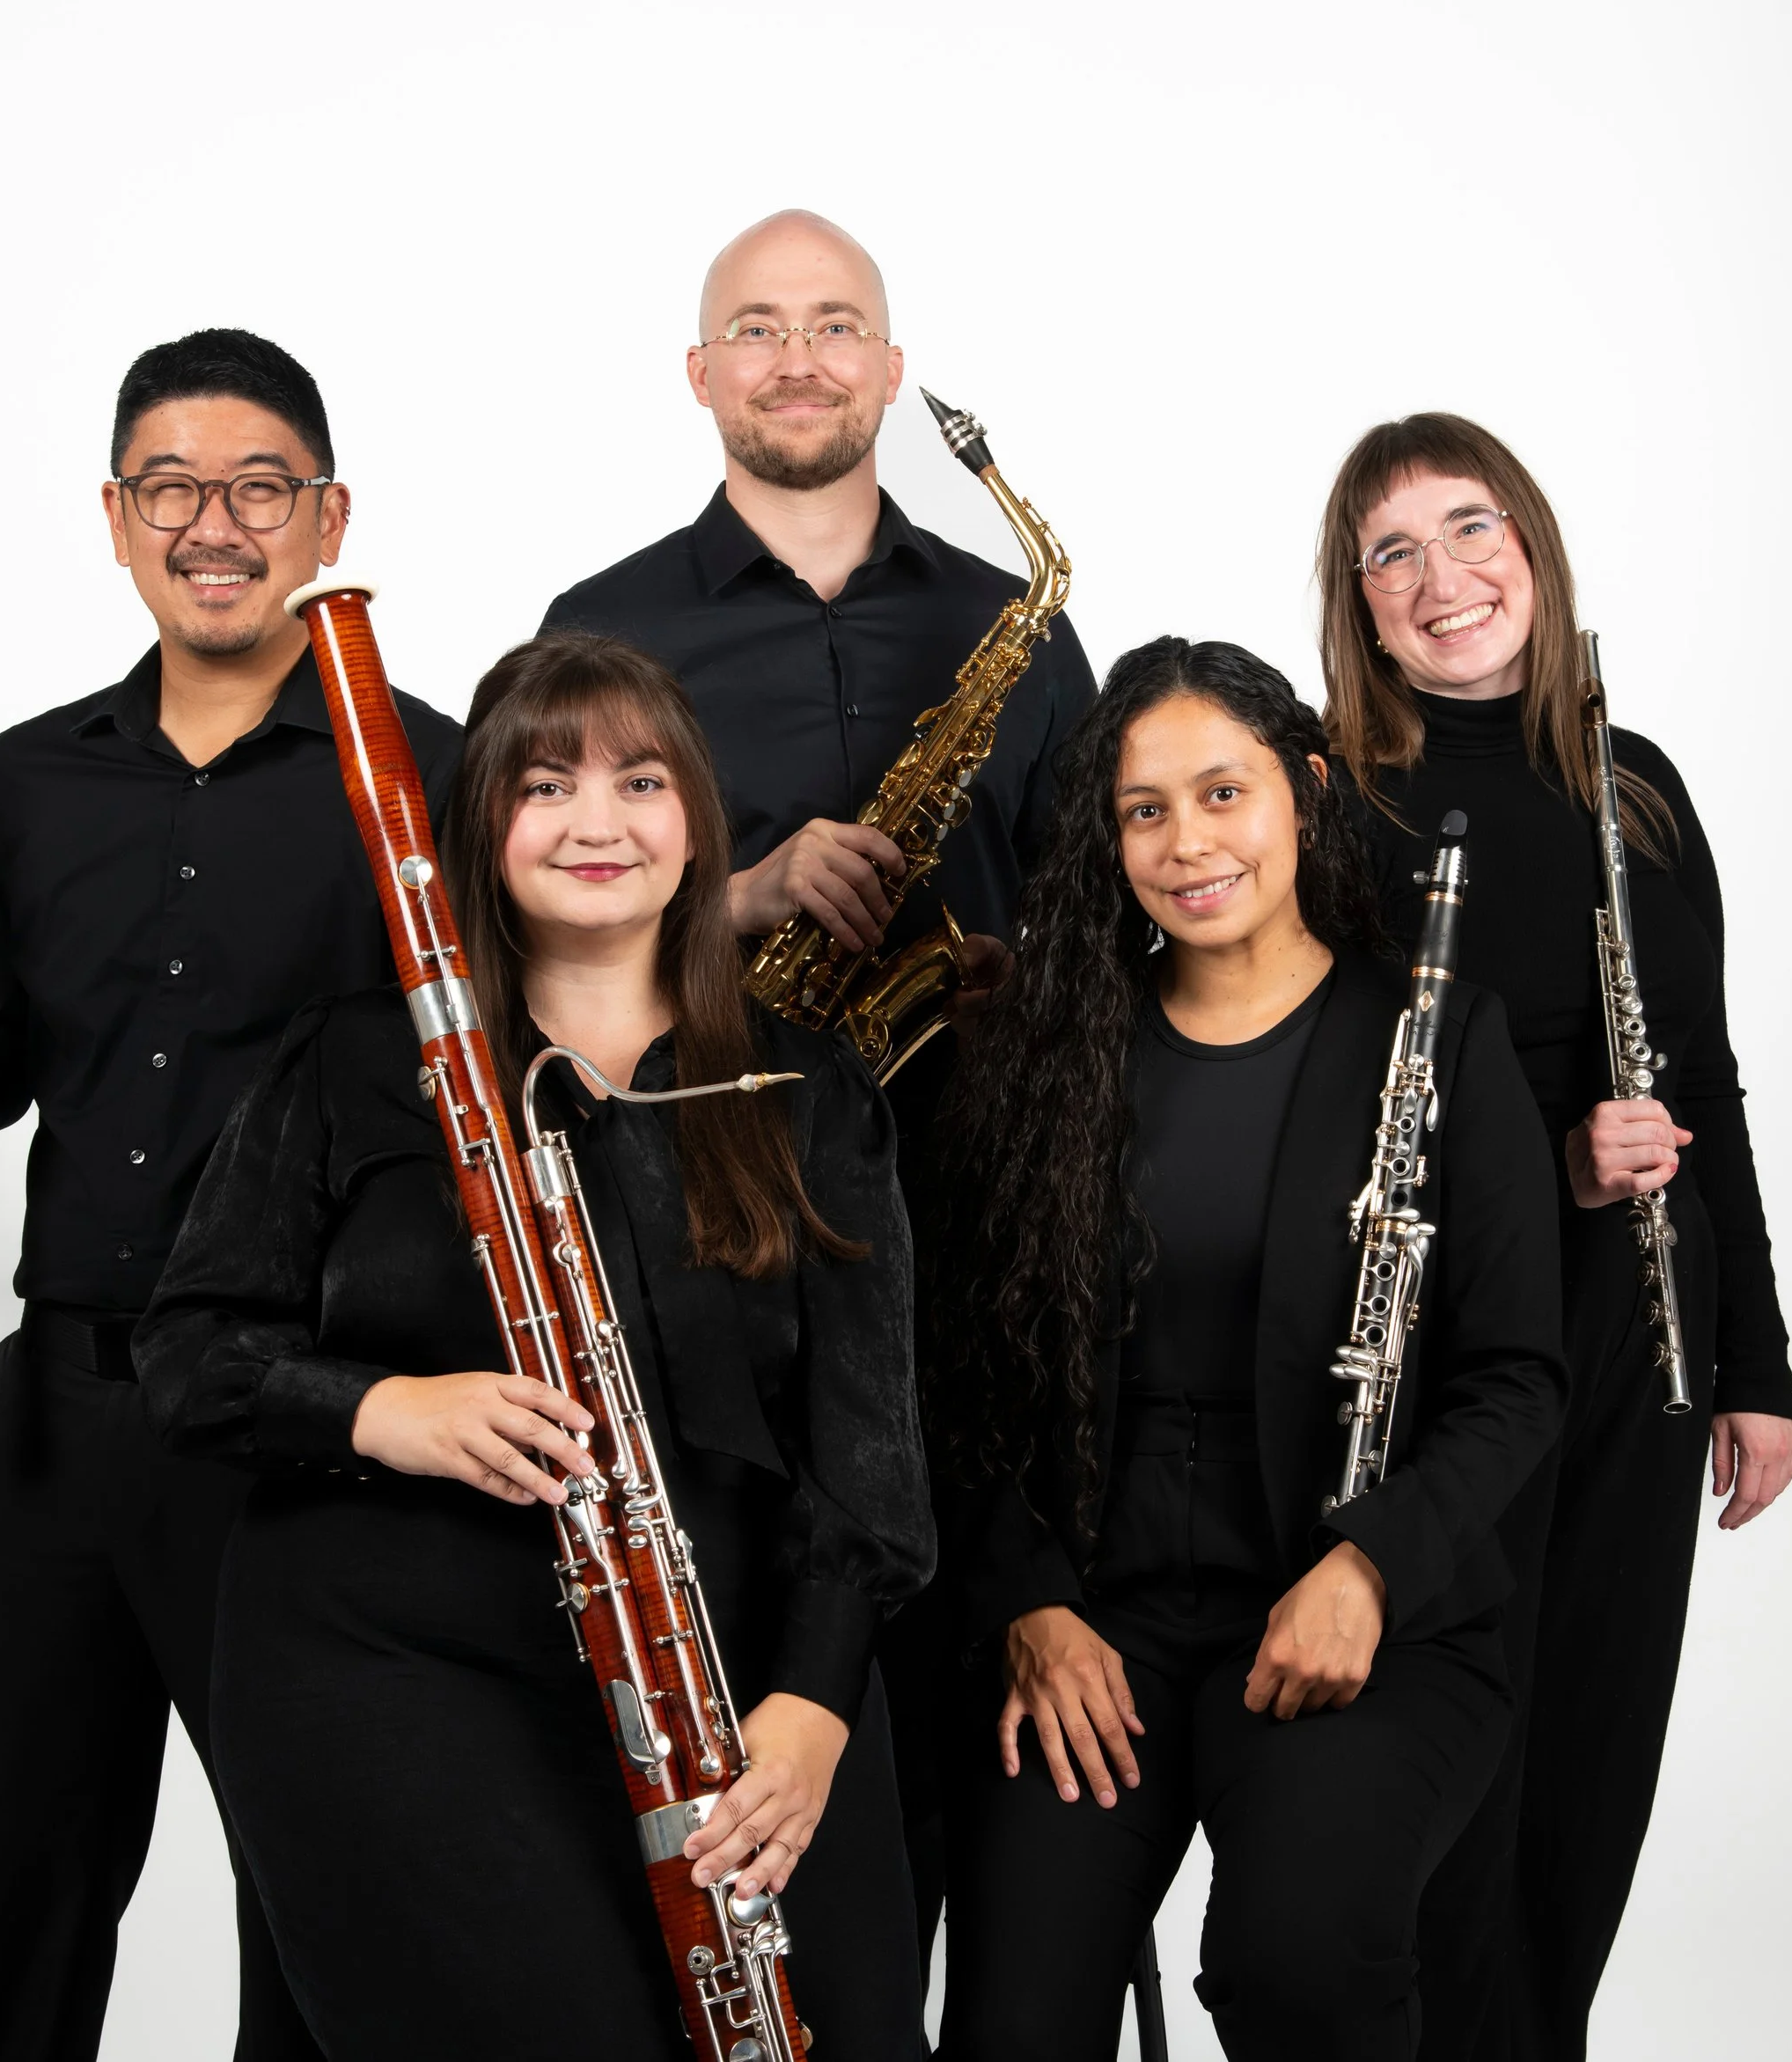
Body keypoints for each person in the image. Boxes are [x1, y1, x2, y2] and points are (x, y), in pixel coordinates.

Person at [134, 632, 935, 2062]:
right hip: (397, 1660)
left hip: (742, 1662)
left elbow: (870, 1451)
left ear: (695, 820)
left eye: (638, 779)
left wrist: (814, 1710)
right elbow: (187, 1352)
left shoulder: (809, 1086)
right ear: (481, 827)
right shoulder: (356, 1059)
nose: (596, 822)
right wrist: (393, 1407)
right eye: (545, 785)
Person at [0, 329, 460, 2062]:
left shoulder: (427, 771)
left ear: (327, 517)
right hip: (59, 1420)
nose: (214, 522)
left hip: (300, 1434)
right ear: (116, 520)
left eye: (259, 484)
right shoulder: (36, 776)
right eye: (170, 485)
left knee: (318, 1931)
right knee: (17, 1912)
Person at [540, 202, 1097, 1965]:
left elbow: (1106, 922)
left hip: (988, 1241)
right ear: (700, 372)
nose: (797, 358)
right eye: (758, 328)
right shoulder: (601, 626)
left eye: (834, 324)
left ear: (889, 362)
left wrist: (1021, 970)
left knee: (979, 1786)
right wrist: (751, 889)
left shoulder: (1013, 624)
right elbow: (534, 911)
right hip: (733, 1245)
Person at [929, 637, 1568, 2061]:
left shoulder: (1440, 1035)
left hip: (1358, 1601)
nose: (1186, 840)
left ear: (1309, 792)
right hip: (1099, 1613)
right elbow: (959, 1373)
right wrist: (1029, 1598)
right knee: (1012, 2023)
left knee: (1299, 1967)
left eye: (1224, 792)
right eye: (1144, 809)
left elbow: (1518, 1375)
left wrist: (1373, 1563)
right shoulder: (1049, 1049)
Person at [1315, 412, 1792, 2060]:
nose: (1443, 579)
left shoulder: (1636, 784)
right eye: (1393, 553)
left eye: (1472, 530)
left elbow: (1707, 1082)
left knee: (1594, 1774)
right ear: (1358, 602)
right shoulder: (1342, 809)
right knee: (1463, 1781)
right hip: (1460, 1367)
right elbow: (1329, 1120)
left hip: (1644, 1355)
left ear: (1531, 543)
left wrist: (1758, 1365)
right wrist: (1553, 1156)